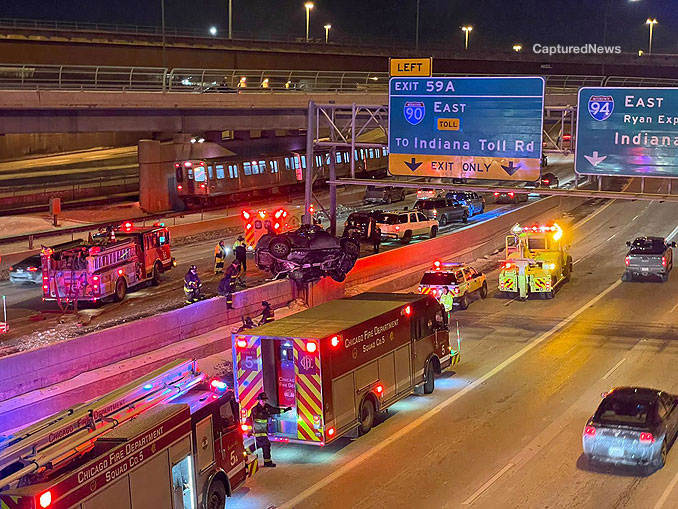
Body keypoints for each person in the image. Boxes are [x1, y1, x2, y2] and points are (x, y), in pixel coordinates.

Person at [250, 393, 291, 468]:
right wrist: (250, 431)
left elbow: (274, 410)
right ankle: (267, 462)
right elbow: (251, 419)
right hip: (258, 432)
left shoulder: (266, 407)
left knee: (260, 444)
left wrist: (285, 410)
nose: (263, 402)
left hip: (264, 431)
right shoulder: (255, 409)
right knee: (266, 445)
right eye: (262, 400)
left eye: (264, 400)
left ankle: (246, 452)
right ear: (258, 400)